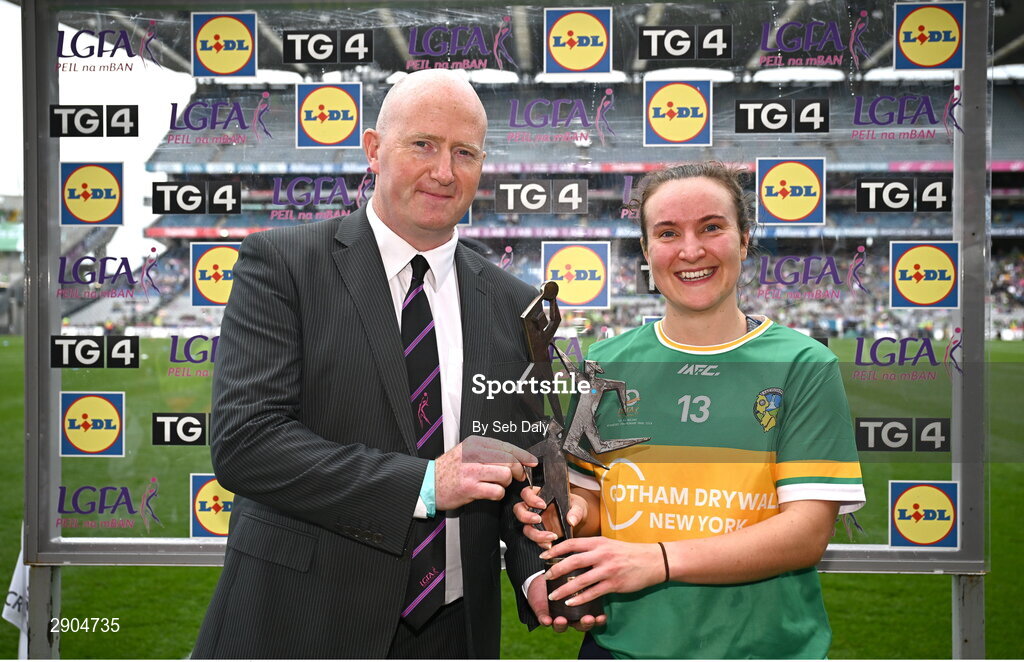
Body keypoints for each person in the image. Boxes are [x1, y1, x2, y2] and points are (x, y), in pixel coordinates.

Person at [193, 70, 553, 659]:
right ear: (373, 149)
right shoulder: (283, 264)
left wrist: (539, 568)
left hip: (456, 633)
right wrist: (426, 484)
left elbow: (520, 462)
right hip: (303, 623)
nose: (444, 171)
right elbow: (246, 442)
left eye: (464, 153)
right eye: (423, 145)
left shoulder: (513, 304)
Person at [516, 162, 865, 659]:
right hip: (622, 647)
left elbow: (806, 532)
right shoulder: (605, 365)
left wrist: (657, 561)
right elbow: (590, 507)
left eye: (711, 227)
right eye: (667, 232)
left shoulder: (803, 364)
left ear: (744, 241)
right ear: (646, 251)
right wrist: (563, 513)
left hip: (764, 650)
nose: (691, 250)